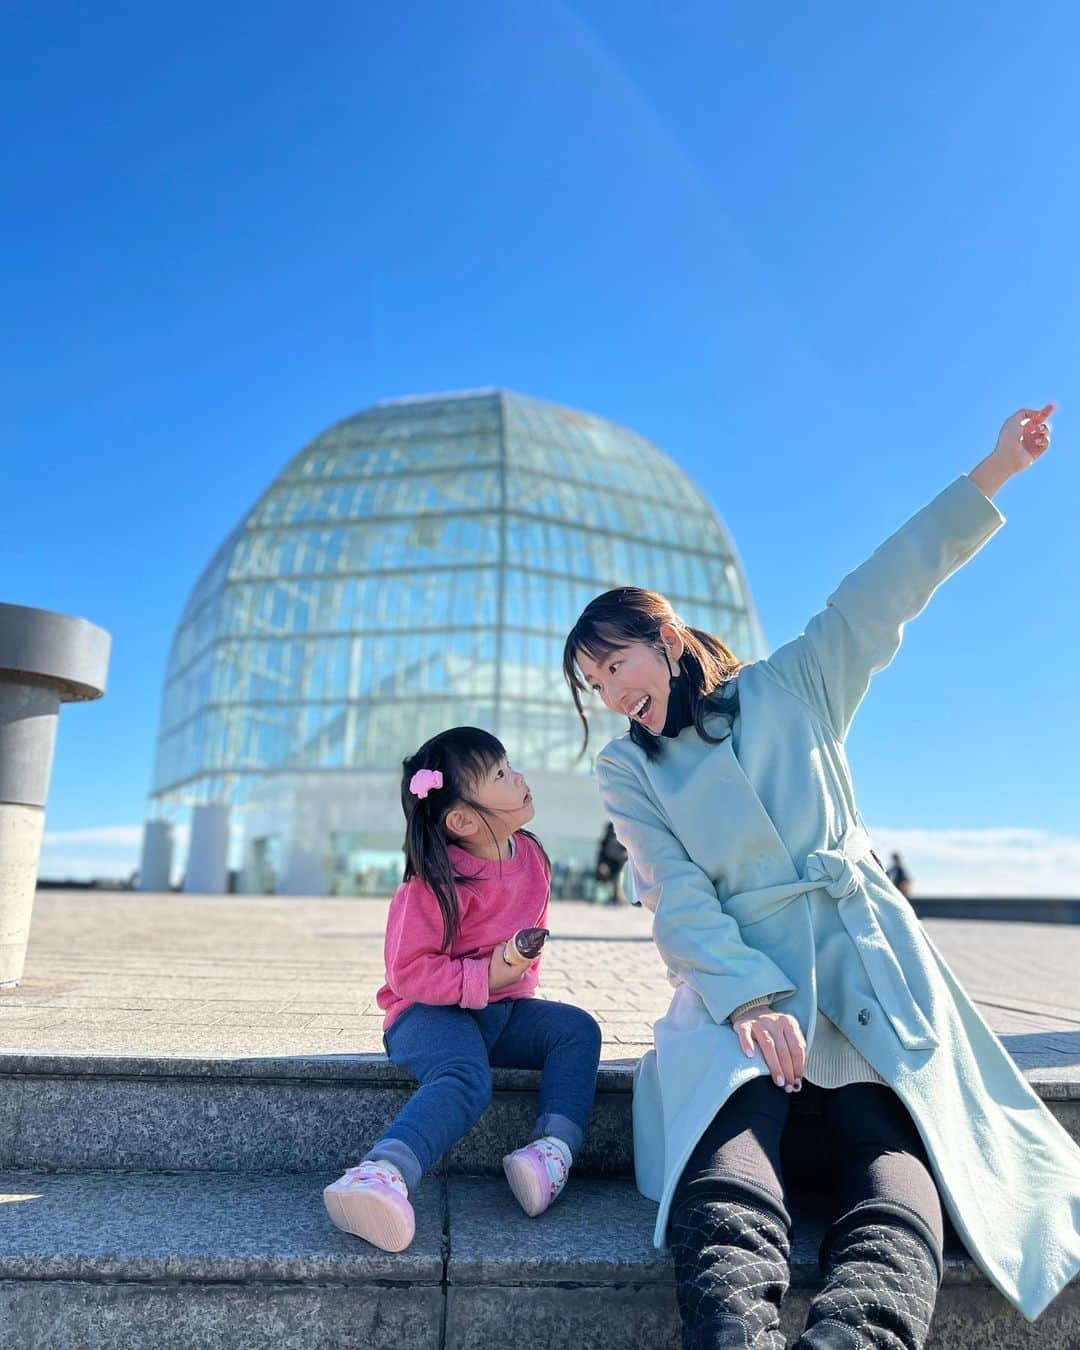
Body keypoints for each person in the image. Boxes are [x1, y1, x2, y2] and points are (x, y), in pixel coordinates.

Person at [563, 408, 1080, 1348]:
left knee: (891, 1163)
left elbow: (882, 590)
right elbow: (673, 890)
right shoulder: (627, 768)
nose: (610, 695)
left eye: (614, 665)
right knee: (728, 1164)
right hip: (737, 989)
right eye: (593, 687)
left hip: (861, 975)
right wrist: (747, 996)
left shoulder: (794, 684)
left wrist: (995, 470)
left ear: (665, 638)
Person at [323, 726, 602, 1253]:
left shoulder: (533, 860)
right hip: (425, 1014)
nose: (517, 776)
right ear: (463, 820)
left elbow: (519, 950)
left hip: (499, 1009)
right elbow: (408, 972)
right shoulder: (432, 882)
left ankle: (550, 1152)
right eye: (499, 773)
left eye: (508, 764)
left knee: (577, 1030)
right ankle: (380, 1173)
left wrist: (513, 968)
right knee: (464, 1074)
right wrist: (486, 975)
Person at [594, 820, 628, 903]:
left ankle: (620, 896)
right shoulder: (607, 838)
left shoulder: (625, 836)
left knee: (621, 872)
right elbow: (602, 853)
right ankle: (617, 896)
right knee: (617, 873)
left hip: (621, 863)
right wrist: (602, 864)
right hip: (610, 863)